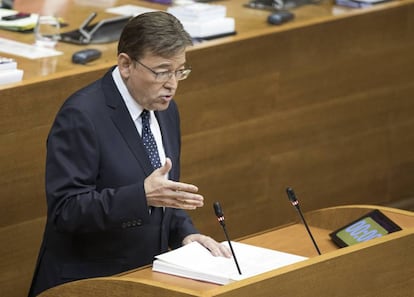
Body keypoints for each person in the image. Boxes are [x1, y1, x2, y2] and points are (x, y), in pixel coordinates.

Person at [28, 11, 231, 297]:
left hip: (142, 279)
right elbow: (66, 210)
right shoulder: (81, 116)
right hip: (86, 284)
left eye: (179, 71)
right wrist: (140, 196)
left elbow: (163, 195)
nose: (172, 83)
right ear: (125, 64)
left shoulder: (165, 109)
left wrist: (185, 233)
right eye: (161, 72)